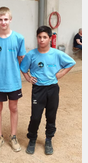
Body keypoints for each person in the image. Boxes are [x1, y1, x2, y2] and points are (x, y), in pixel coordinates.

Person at [20, 25, 76, 155]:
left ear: (50, 38)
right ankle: (32, 139)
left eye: (45, 37)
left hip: (52, 89)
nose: (42, 40)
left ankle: (48, 139)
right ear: (37, 38)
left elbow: (71, 62)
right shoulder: (32, 54)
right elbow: (23, 68)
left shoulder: (56, 54)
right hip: (38, 90)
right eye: (39, 37)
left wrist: (60, 74)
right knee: (35, 117)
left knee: (51, 115)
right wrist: (28, 78)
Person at [0, 6, 26, 153]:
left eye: (6, 19)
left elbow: (21, 58)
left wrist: (24, 75)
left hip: (14, 80)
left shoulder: (19, 38)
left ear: (10, 19)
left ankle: (13, 136)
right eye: (0, 20)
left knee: (13, 108)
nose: (3, 22)